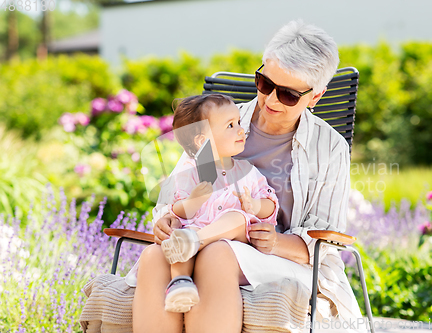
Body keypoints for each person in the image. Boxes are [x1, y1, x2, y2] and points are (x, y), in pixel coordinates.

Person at [129, 20, 366, 333]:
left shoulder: (329, 147)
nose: (269, 100)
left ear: (315, 97)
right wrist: (166, 220)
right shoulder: (221, 121)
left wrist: (276, 242)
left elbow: (329, 238)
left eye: (288, 95)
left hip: (277, 258)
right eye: (265, 83)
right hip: (198, 235)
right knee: (152, 258)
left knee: (217, 254)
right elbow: (177, 190)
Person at [160, 94, 279, 313]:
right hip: (198, 231)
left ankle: (194, 240)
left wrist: (255, 204)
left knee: (235, 217)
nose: (241, 130)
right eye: (231, 125)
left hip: (237, 238)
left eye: (239, 123)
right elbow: (177, 212)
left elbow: (271, 203)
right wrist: (194, 200)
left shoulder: (247, 171)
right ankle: (180, 284)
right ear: (202, 140)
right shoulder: (191, 171)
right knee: (184, 236)